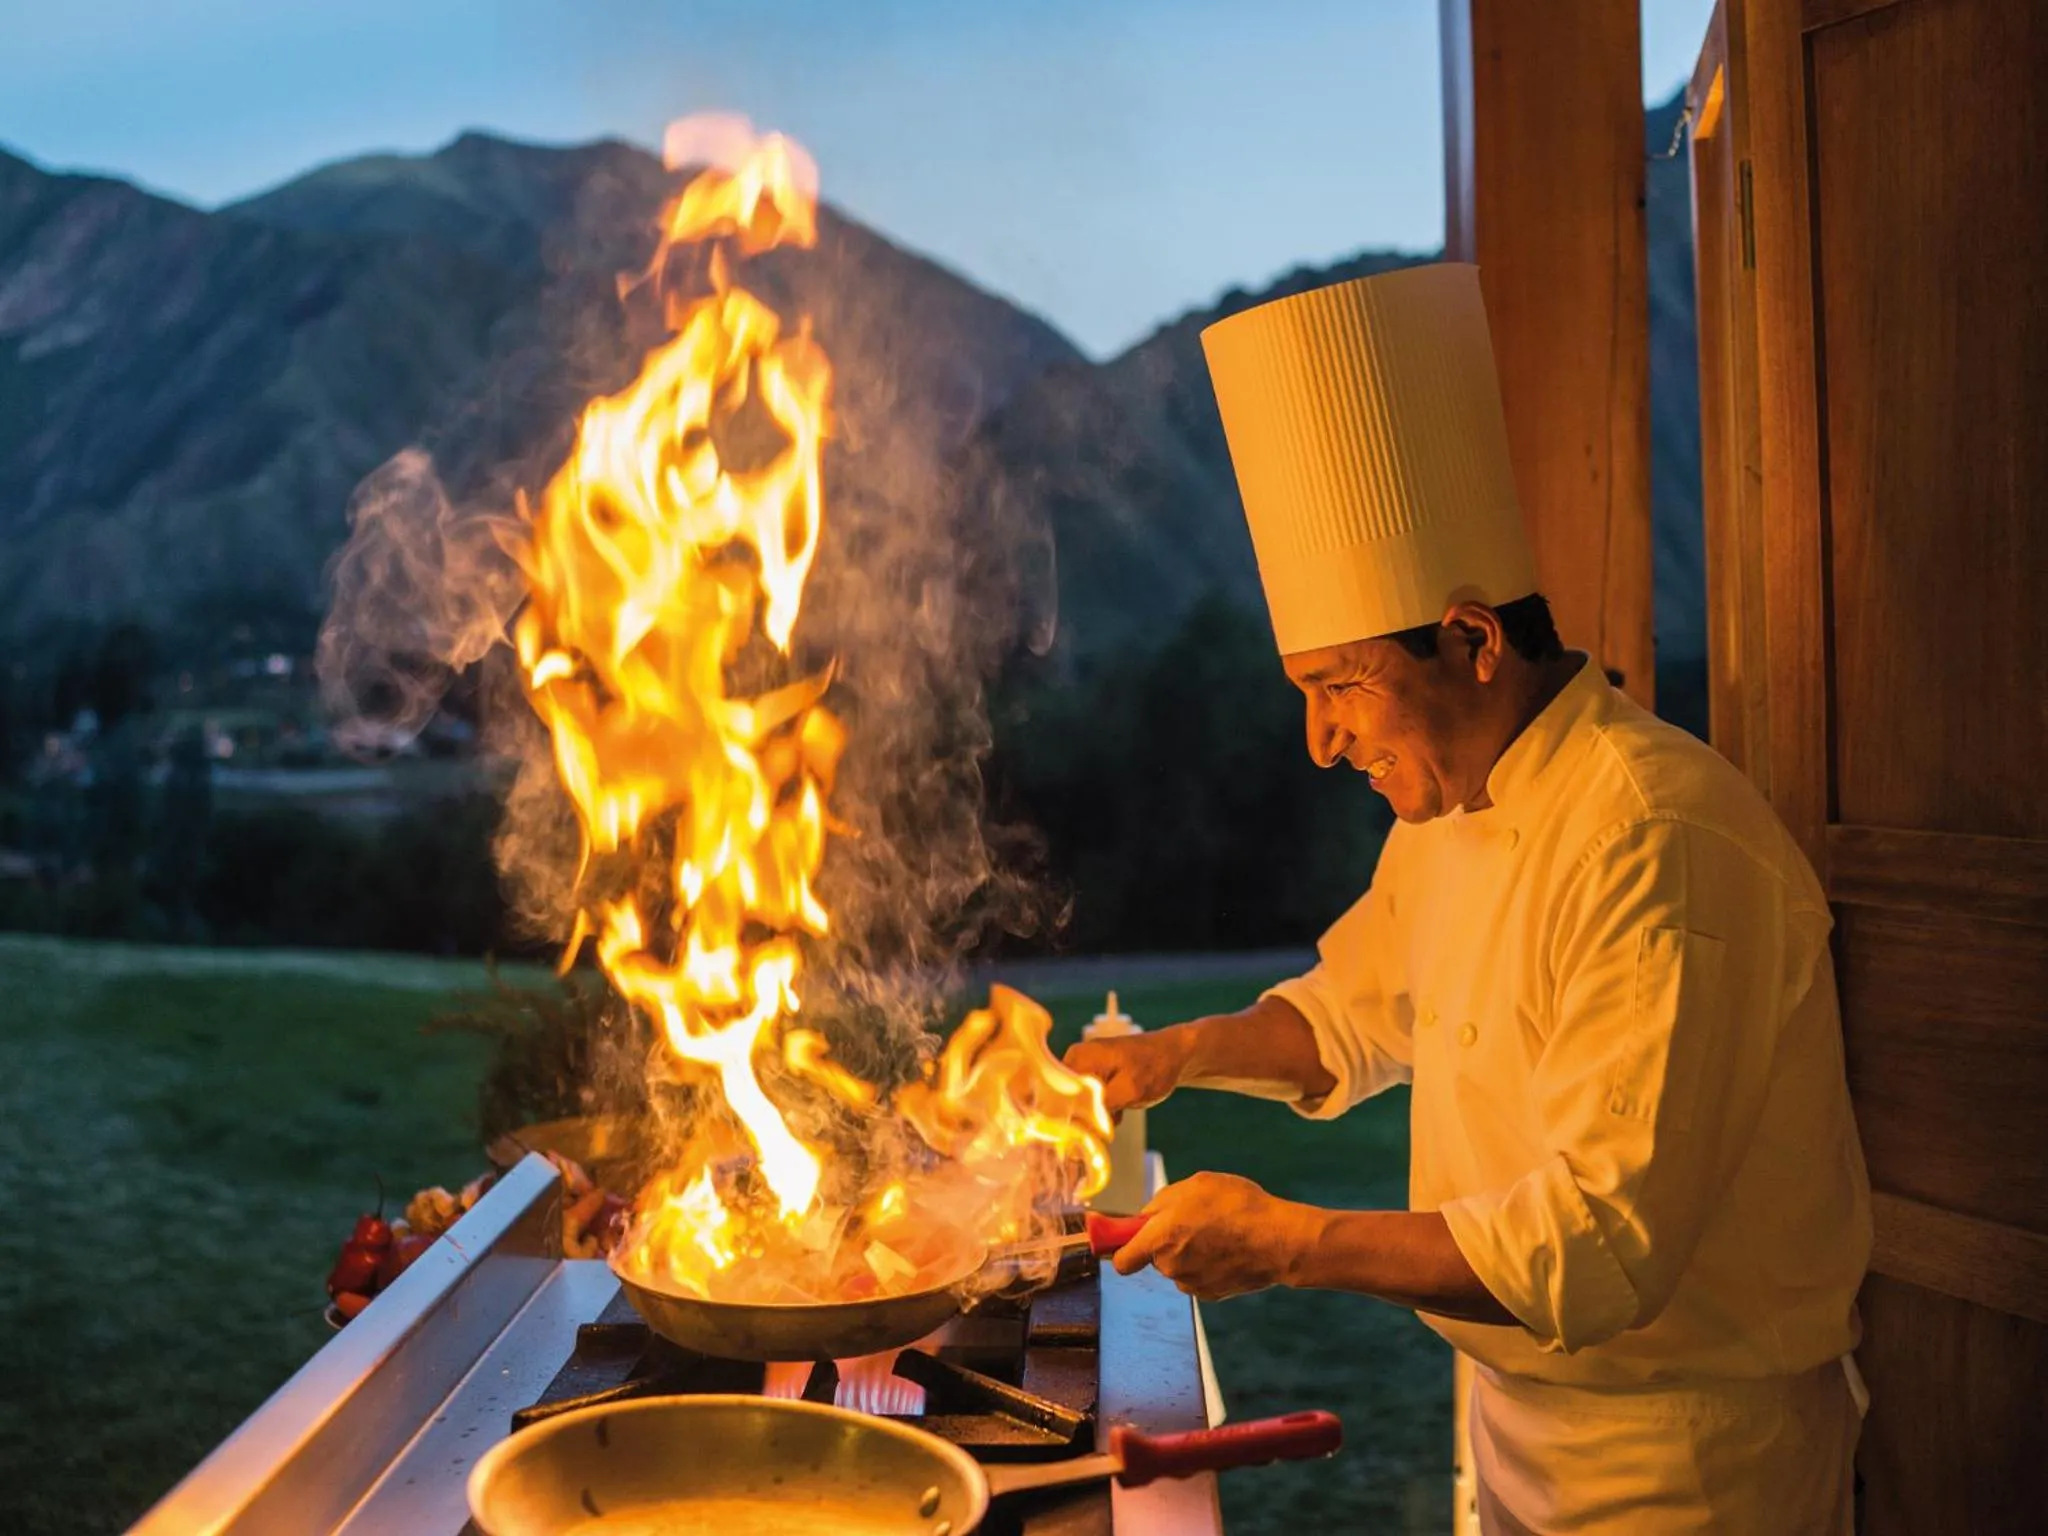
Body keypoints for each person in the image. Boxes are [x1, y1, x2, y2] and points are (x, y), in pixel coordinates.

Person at [1064, 264, 1872, 1533]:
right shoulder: (1450, 806)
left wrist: (1288, 1243)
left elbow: (1596, 1246)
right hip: (1515, 1426)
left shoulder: (1652, 835)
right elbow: (1349, 1013)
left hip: (1688, 1463)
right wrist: (1169, 1055)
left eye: (1338, 688)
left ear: (1473, 640)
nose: (1320, 744)